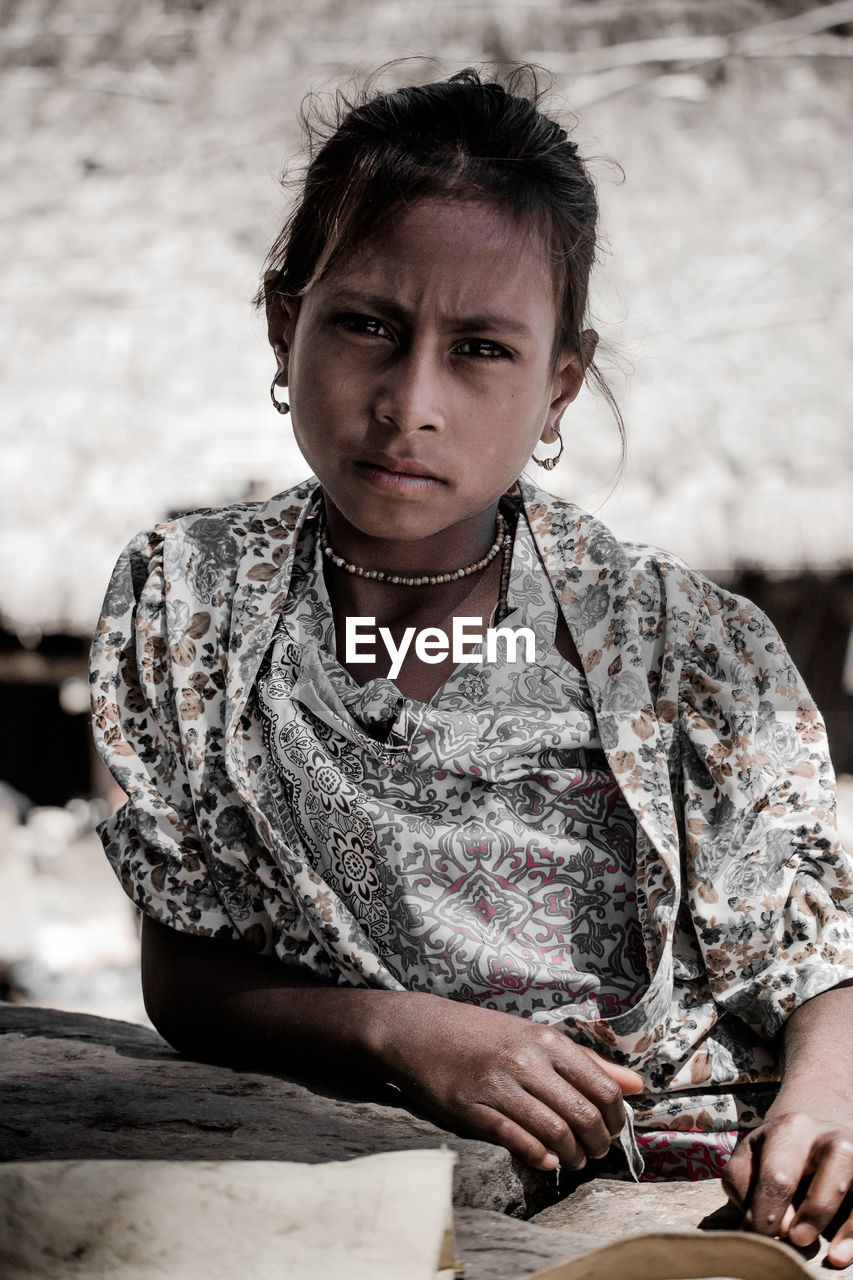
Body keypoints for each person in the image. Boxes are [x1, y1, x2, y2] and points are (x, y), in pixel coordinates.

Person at [91, 66, 853, 1264]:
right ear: (285, 323)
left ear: (558, 380)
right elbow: (185, 968)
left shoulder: (682, 646)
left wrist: (826, 1106)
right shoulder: (191, 602)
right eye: (367, 325)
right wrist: (399, 1033)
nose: (411, 402)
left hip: (686, 1183)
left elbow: (818, 957)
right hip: (372, 1184)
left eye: (482, 348)